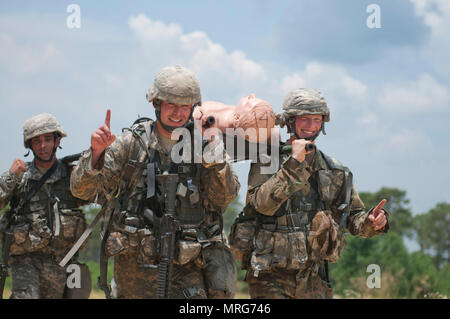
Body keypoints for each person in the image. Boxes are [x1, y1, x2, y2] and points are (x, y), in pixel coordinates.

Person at [70, 65, 240, 299]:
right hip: (135, 269)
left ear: (193, 108)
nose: (178, 113)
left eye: (184, 106)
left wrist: (216, 158)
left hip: (188, 266)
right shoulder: (131, 145)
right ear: (156, 103)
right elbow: (82, 191)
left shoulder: (204, 147)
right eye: (171, 104)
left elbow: (223, 199)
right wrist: (96, 155)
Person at [229, 88, 389, 299]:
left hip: (314, 276)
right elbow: (262, 204)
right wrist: (295, 163)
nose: (311, 125)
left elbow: (351, 218)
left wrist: (372, 221)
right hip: (269, 275)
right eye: (304, 118)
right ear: (290, 120)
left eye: (316, 119)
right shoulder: (267, 160)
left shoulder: (333, 169)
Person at [0, 113, 90, 299]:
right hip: (26, 261)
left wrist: (84, 177)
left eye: (47, 139)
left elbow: (100, 196)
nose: (42, 146)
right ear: (29, 145)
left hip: (65, 262)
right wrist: (9, 177)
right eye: (36, 141)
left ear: (57, 141)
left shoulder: (71, 177)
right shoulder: (20, 177)